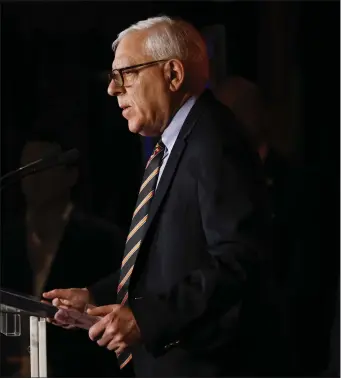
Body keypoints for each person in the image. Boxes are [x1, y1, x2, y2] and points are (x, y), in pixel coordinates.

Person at [43, 16, 272, 377]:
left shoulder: (214, 140)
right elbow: (171, 264)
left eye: (125, 75)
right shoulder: (175, 144)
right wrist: (97, 296)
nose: (112, 90)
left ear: (173, 75)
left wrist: (146, 321)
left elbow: (238, 259)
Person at [0, 128, 127, 377]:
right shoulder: (6, 238)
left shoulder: (104, 240)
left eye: (40, 168)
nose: (31, 178)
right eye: (25, 168)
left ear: (70, 175)